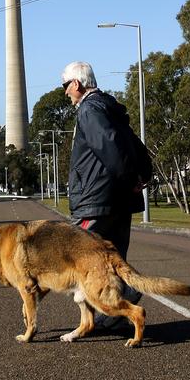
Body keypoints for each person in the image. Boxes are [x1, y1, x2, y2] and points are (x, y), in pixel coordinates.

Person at [61, 61, 145, 327]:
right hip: (118, 199)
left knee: (72, 255)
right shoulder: (110, 107)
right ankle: (116, 318)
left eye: (65, 86)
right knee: (113, 259)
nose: (65, 92)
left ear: (76, 83)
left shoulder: (89, 109)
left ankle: (127, 293)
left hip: (96, 202)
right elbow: (136, 145)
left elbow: (108, 145)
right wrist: (142, 176)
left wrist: (133, 177)